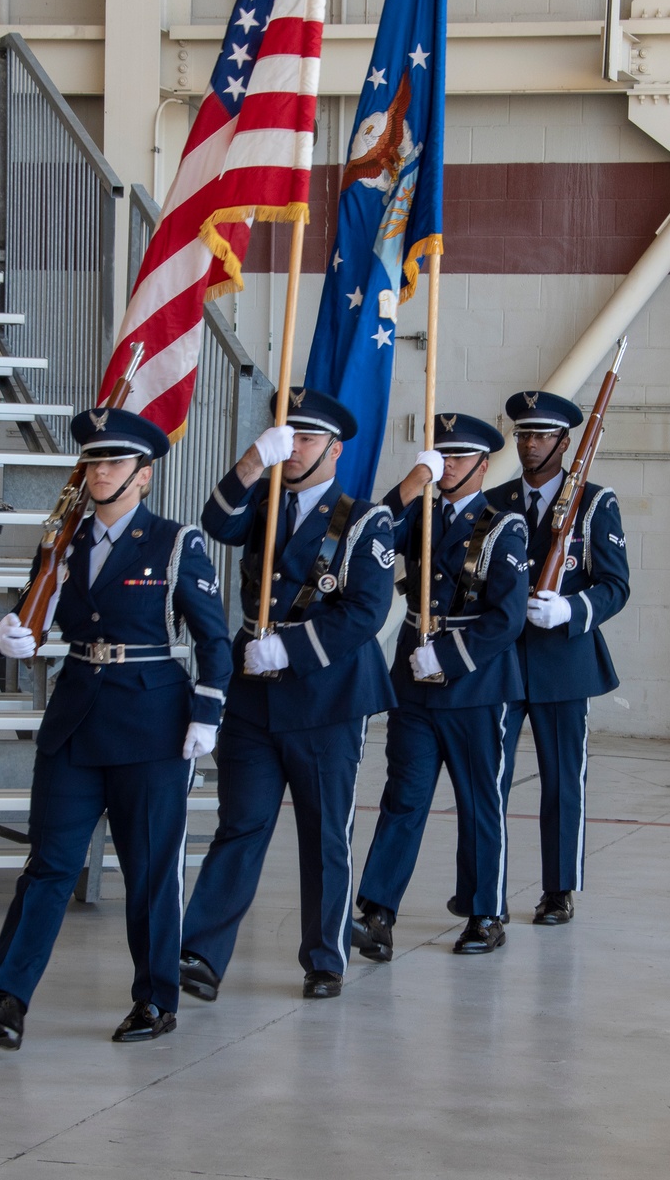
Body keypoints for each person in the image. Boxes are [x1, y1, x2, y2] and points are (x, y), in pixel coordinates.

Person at [0, 407, 232, 1049]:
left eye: (114, 461)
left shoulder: (174, 542)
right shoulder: (64, 540)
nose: (100, 470)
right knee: (50, 863)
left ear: (144, 476)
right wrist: (13, 635)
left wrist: (208, 712)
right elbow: (36, 613)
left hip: (152, 723)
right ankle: (6, 997)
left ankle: (156, 998)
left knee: (148, 869)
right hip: (77, 716)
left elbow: (213, 640)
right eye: (93, 460)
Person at [179, 388, 396, 1004]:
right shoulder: (267, 501)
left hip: (324, 697)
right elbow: (216, 523)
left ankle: (325, 957)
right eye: (287, 436)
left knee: (325, 832)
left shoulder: (364, 521)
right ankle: (200, 952)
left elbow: (366, 612)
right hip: (254, 696)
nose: (295, 448)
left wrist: (292, 648)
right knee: (240, 823)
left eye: (306, 438)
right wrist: (252, 462)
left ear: (335, 448)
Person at [352, 414, 528, 958]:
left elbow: (509, 616)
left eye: (457, 458)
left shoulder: (505, 526)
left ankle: (484, 913)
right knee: (403, 796)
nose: (446, 465)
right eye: (441, 455)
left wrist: (449, 658)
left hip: (474, 684)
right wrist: (409, 484)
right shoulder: (419, 513)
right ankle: (378, 911)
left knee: (480, 802)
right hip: (413, 678)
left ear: (483, 465)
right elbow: (373, 531)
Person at [486, 390, 631, 925]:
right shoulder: (494, 502)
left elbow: (616, 585)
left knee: (563, 779)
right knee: (489, 782)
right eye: (524, 435)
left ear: (565, 442)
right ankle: (486, 895)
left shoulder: (594, 502)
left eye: (542, 436)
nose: (530, 445)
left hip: (565, 661)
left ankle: (558, 889)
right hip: (500, 660)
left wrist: (571, 607)